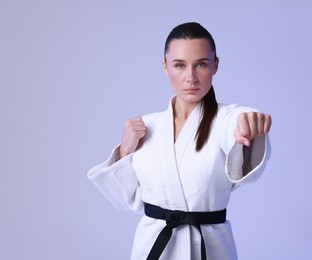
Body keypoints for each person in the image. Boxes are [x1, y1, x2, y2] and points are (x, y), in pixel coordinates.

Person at [87, 22, 272, 260]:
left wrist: (248, 121)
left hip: (211, 249)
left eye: (201, 64)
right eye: (179, 65)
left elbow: (236, 120)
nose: (190, 77)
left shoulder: (226, 119)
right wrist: (125, 150)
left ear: (215, 65)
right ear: (165, 67)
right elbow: (125, 201)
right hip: (152, 248)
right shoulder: (146, 126)